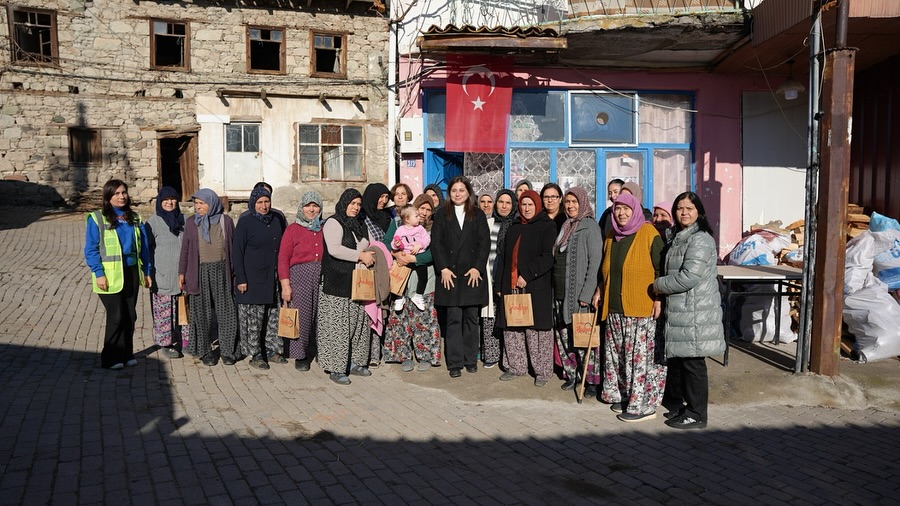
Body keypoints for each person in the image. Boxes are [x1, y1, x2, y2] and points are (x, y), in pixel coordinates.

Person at [653, 191, 725, 430]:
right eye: (680, 208)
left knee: (694, 364)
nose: (684, 212)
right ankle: (691, 408)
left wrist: (657, 286)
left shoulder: (700, 239)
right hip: (685, 310)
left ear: (699, 213)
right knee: (686, 363)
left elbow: (689, 277)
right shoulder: (681, 237)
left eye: (689, 209)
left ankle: (697, 414)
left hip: (696, 311)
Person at [594, 192, 666, 422]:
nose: (622, 213)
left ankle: (644, 405)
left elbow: (661, 270)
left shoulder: (648, 234)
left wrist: (659, 298)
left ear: (635, 210)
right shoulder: (610, 235)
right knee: (619, 356)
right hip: (614, 308)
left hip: (640, 307)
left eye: (626, 208)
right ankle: (624, 395)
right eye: (617, 208)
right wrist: (600, 290)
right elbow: (605, 269)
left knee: (639, 358)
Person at [84, 179, 151, 370]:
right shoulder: (97, 218)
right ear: (108, 197)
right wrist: (98, 273)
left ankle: (126, 354)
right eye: (117, 193)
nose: (121, 196)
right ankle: (111, 358)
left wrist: (147, 271)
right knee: (116, 315)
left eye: (124, 192)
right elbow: (91, 249)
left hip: (130, 272)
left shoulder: (135, 218)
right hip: (109, 274)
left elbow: (143, 248)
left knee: (130, 315)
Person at [431, 176, 490, 378]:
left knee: (471, 319)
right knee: (454, 319)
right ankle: (455, 362)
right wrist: (443, 268)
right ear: (450, 193)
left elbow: (484, 244)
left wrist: (477, 268)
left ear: (468, 193)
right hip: (450, 275)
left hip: (471, 275)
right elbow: (436, 243)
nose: (457, 194)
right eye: (454, 190)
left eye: (461, 190)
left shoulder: (478, 215)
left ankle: (470, 359)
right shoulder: (441, 215)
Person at [496, 190, 556, 386]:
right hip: (511, 284)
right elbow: (504, 259)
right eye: (523, 205)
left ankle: (542, 371)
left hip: (534, 286)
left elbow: (548, 257)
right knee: (513, 327)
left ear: (537, 206)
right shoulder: (514, 227)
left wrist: (528, 274)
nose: (527, 208)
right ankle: (516, 366)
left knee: (535, 329)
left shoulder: (547, 226)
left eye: (530, 205)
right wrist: (500, 284)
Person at [317, 188, 376, 385]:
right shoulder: (334, 222)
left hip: (357, 281)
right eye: (353, 204)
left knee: (358, 324)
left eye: (359, 205)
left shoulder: (359, 223)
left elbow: (366, 243)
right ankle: (336, 366)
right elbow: (334, 249)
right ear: (344, 203)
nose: (356, 208)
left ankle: (356, 362)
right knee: (338, 326)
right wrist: (360, 255)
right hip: (337, 281)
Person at [382, 194, 443, 371]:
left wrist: (412, 258)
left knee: (424, 319)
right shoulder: (397, 224)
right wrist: (396, 254)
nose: (424, 212)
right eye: (421, 208)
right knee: (400, 319)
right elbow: (387, 242)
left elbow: (433, 253)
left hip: (424, 281)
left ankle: (426, 356)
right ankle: (403, 356)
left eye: (428, 209)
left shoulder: (432, 229)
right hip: (401, 280)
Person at [179, 188, 239, 366]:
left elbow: (233, 248)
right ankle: (205, 351)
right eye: (196, 203)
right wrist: (181, 273)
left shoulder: (225, 221)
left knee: (226, 311)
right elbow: (186, 250)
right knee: (201, 313)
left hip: (222, 270)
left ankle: (228, 351)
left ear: (211, 203)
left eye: (202, 203)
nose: (198, 207)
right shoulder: (191, 223)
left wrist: (237, 274)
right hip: (198, 272)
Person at [552, 187, 603, 394]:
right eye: (567, 202)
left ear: (582, 203)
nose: (570, 206)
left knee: (583, 339)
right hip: (560, 293)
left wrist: (587, 293)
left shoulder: (590, 227)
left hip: (579, 295)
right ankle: (572, 374)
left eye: (574, 202)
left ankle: (590, 380)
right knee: (565, 339)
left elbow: (595, 263)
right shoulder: (565, 226)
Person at [233, 186, 285, 370]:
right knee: (254, 319)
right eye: (260, 202)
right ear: (253, 203)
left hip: (272, 276)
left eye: (267, 201)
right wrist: (241, 278)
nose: (264, 206)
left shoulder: (277, 220)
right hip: (252, 277)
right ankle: (256, 354)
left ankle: (271, 350)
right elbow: (237, 252)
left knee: (272, 315)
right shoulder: (245, 222)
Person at [278, 191, 324, 372]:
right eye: (308, 206)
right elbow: (283, 258)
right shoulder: (293, 230)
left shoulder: (324, 228)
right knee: (302, 316)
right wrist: (285, 284)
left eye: (315, 206)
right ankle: (301, 355)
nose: (311, 210)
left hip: (321, 275)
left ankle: (322, 351)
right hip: (299, 275)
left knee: (322, 316)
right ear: (301, 208)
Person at [145, 186, 188, 359]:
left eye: (173, 199)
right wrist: (147, 272)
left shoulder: (184, 220)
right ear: (160, 201)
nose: (170, 203)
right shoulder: (153, 222)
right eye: (166, 200)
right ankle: (166, 343)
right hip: (162, 274)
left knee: (184, 308)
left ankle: (186, 340)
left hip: (182, 273)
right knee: (164, 311)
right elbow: (146, 249)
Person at [482, 189, 517, 369]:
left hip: (509, 277)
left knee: (508, 317)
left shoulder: (516, 224)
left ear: (513, 205)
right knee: (489, 317)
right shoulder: (489, 223)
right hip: (489, 275)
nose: (504, 206)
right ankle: (491, 354)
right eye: (501, 202)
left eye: (508, 202)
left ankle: (508, 357)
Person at [360, 183, 392, 366]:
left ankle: (380, 351)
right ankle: (368, 354)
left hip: (388, 270)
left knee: (384, 311)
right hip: (370, 271)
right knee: (371, 311)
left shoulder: (387, 216)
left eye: (386, 197)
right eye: (380, 197)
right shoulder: (363, 217)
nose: (384, 201)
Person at [391, 204, 431, 312]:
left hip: (417, 256)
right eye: (416, 216)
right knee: (402, 278)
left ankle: (418, 295)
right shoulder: (400, 230)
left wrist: (420, 245)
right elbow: (393, 244)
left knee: (423, 277)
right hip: (404, 256)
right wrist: (397, 244)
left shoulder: (420, 229)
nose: (419, 218)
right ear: (407, 219)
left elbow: (427, 239)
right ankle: (399, 297)